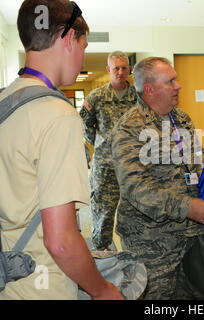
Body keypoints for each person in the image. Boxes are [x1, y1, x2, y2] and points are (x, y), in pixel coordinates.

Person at [0, 0, 123, 300]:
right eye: (83, 46)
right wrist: (102, 290)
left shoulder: (6, 101)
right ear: (69, 39)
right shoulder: (57, 115)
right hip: (43, 284)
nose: (82, 58)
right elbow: (62, 242)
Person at [111, 57, 204, 299]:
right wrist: (187, 206)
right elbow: (135, 187)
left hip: (190, 234)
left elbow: (193, 161)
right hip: (151, 241)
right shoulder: (130, 127)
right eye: (170, 81)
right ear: (149, 89)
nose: (178, 86)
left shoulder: (181, 118)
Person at [79, 51, 137, 250]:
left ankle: (133, 253)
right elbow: (85, 125)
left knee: (135, 212)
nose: (120, 72)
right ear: (108, 69)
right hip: (106, 167)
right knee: (103, 212)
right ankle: (102, 254)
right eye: (116, 68)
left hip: (133, 165)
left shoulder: (139, 97)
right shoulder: (96, 96)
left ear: (129, 69)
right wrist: (100, 145)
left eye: (124, 68)